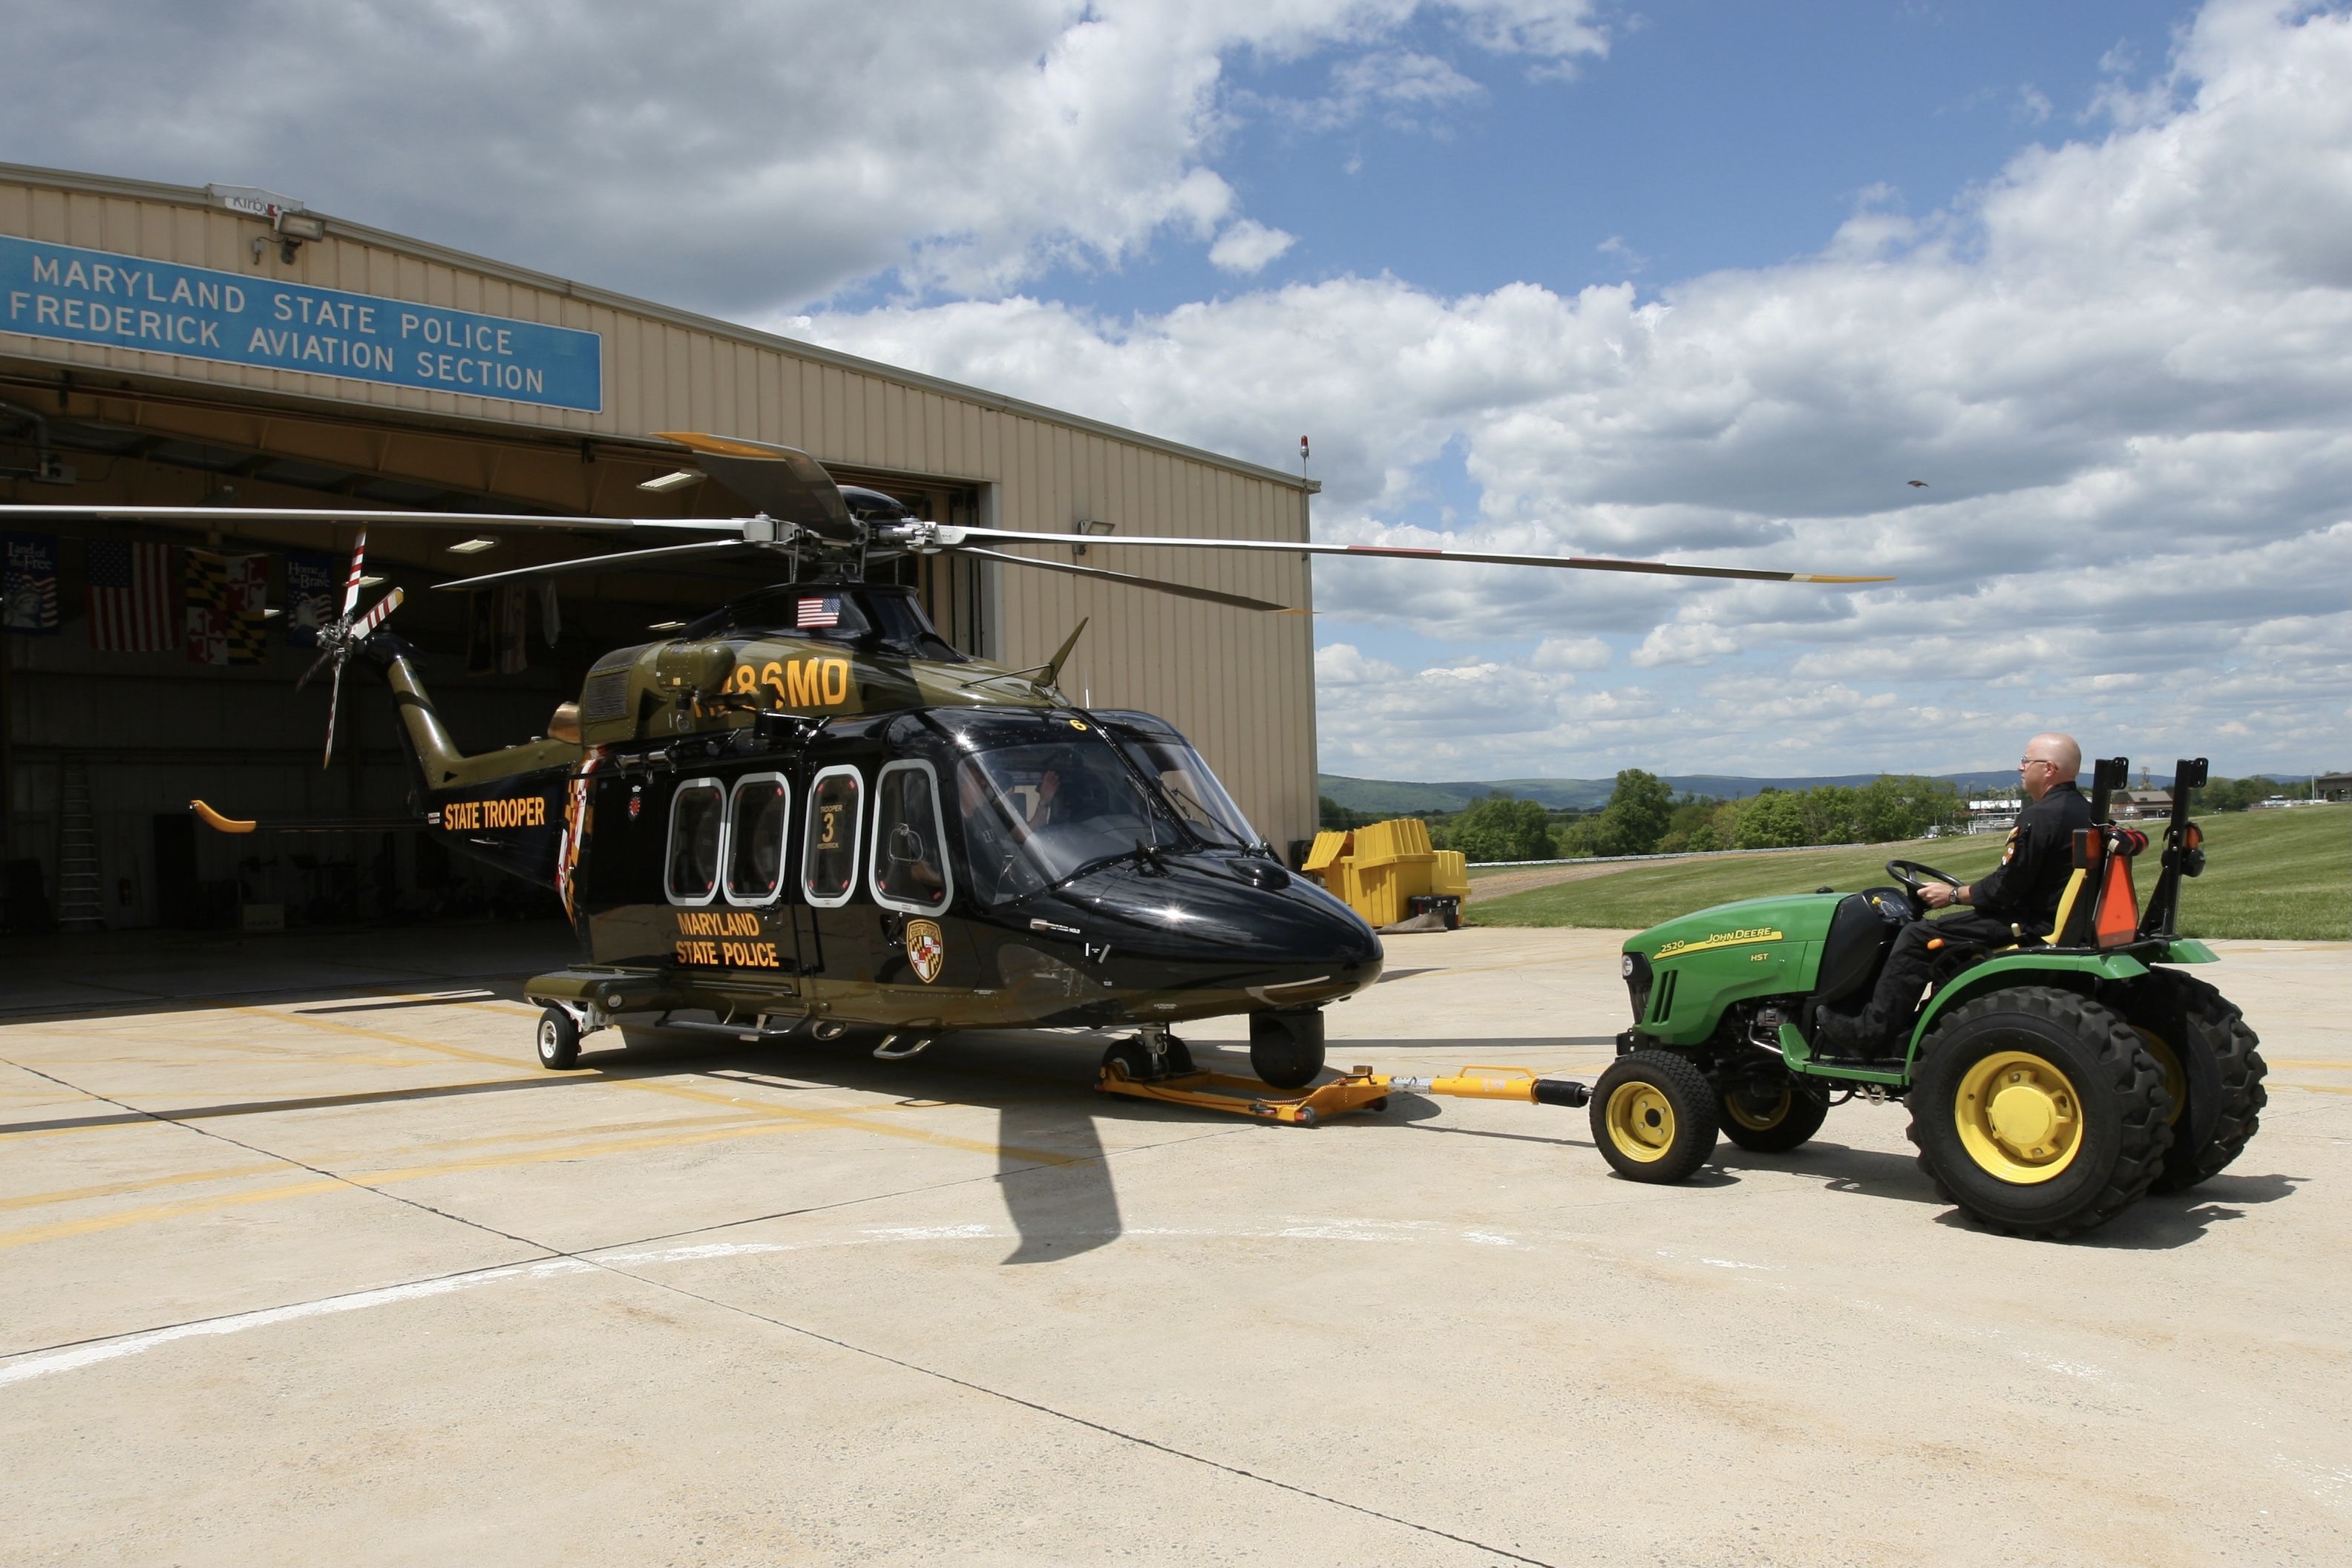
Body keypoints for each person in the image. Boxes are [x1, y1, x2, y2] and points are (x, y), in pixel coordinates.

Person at [1815, 732, 2094, 1059]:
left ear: (2048, 769)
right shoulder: (2083, 811)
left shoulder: (2042, 815)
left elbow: (2005, 889)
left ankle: (1872, 1033)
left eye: (2025, 760)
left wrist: (1954, 895)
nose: (2020, 768)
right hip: (2050, 914)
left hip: (2028, 921)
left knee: (1917, 935)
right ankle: (1916, 1027)